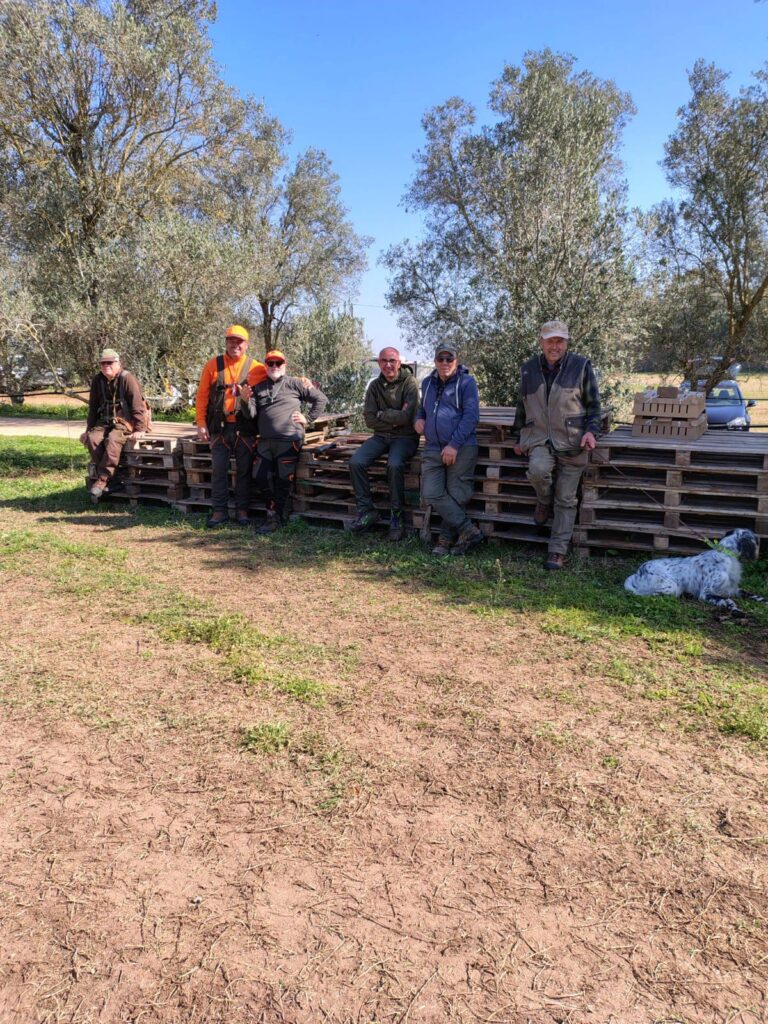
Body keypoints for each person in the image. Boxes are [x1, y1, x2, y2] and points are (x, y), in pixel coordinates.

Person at [512, 319, 601, 571]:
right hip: (539, 437)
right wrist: (517, 436)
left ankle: (557, 551)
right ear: (541, 342)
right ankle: (543, 498)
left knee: (567, 498)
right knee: (538, 471)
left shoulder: (581, 366)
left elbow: (594, 406)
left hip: (573, 439)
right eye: (550, 340)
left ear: (566, 342)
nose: (555, 345)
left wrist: (591, 432)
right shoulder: (529, 368)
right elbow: (522, 404)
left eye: (559, 340)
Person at [241, 349, 327, 534]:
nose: (274, 366)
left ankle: (277, 517)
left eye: (278, 363)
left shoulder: (295, 384)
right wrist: (244, 401)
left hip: (289, 440)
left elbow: (320, 399)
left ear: (284, 365)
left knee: (283, 479)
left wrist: (308, 419)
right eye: (270, 363)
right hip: (265, 441)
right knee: (260, 476)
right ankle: (273, 514)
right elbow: (251, 415)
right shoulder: (258, 387)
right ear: (265, 365)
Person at [415, 343, 484, 557]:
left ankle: (445, 540)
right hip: (433, 447)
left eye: (449, 359)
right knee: (431, 492)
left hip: (461, 447)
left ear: (456, 360)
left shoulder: (466, 382)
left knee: (457, 494)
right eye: (440, 359)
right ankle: (468, 530)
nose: (445, 363)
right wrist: (418, 418)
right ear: (435, 361)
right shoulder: (427, 383)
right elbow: (422, 407)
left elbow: (471, 417)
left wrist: (453, 445)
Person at [195, 324, 266, 528]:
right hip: (220, 427)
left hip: (245, 428)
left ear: (246, 345)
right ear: (226, 342)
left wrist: (303, 381)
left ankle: (242, 510)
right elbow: (202, 397)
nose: (235, 344)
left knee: (244, 471)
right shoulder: (212, 365)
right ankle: (219, 511)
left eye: (239, 341)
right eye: (231, 340)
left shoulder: (257, 367)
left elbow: (278, 378)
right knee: (219, 470)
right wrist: (201, 423)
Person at [349, 347, 420, 541]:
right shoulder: (374, 386)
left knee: (395, 464)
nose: (388, 365)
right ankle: (366, 511)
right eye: (384, 361)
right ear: (379, 363)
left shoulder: (410, 383)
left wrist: (383, 413)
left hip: (405, 437)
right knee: (356, 462)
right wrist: (392, 417)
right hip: (380, 436)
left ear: (399, 363)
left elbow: (407, 417)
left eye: (392, 361)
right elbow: (369, 420)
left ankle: (396, 516)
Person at [80, 348, 149, 501]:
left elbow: (138, 405)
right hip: (104, 421)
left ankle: (103, 479)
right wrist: (88, 430)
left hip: (125, 422)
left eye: (110, 362)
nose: (106, 366)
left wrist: (140, 429)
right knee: (92, 439)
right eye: (103, 363)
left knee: (112, 440)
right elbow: (93, 408)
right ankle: (115, 480)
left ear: (118, 363)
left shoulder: (127, 378)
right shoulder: (98, 380)